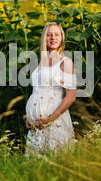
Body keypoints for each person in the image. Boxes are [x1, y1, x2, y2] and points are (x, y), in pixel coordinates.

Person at [25, 22, 77, 157]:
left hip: (55, 122)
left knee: (56, 160)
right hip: (36, 125)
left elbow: (71, 96)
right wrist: (29, 116)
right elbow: (36, 91)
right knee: (35, 165)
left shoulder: (64, 62)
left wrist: (49, 119)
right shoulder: (40, 63)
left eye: (56, 34)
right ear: (44, 38)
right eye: (49, 35)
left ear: (61, 38)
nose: (53, 37)